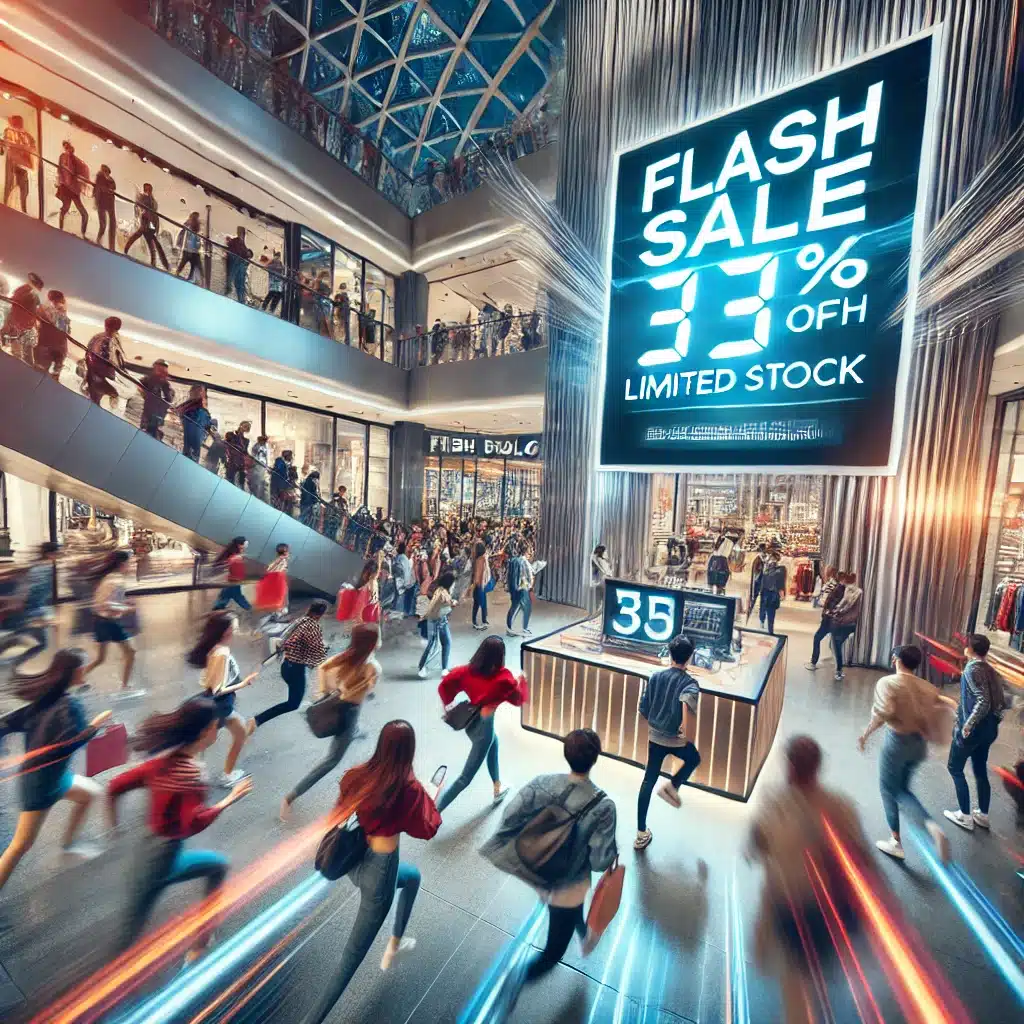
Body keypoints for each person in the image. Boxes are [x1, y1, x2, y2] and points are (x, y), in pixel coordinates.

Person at [298, 721, 441, 1023]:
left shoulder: (357, 775)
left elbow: (339, 812)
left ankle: (396, 941)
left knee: (413, 877)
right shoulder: (409, 789)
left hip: (353, 857)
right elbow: (427, 829)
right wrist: (431, 798)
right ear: (409, 751)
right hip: (381, 874)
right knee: (349, 961)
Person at [107, 697, 252, 955]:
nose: (218, 730)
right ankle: (199, 943)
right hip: (161, 860)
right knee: (127, 938)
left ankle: (202, 939)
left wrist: (114, 830)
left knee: (218, 867)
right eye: (215, 726)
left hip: (146, 849)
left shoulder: (160, 763)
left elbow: (115, 787)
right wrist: (229, 800)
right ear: (205, 732)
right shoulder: (190, 775)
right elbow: (193, 824)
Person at [747, 736, 870, 1024]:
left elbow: (757, 846)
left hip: (789, 908)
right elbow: (860, 857)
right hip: (828, 912)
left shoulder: (775, 804)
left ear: (789, 767)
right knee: (815, 982)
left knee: (795, 987)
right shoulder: (840, 806)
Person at [481, 728, 617, 980]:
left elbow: (511, 815)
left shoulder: (543, 782)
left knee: (571, 910)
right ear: (596, 758)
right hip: (567, 886)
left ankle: (585, 935)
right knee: (553, 954)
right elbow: (600, 862)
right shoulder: (604, 806)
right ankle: (511, 982)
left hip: (539, 873)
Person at [0, 650, 110, 892]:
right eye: (82, 666)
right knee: (19, 846)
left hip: (55, 778)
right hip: (40, 785)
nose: (85, 669)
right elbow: (67, 747)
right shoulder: (69, 706)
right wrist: (95, 726)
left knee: (90, 793)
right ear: (72, 672)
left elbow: (6, 724)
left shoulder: (45, 698)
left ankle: (68, 846)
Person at [858, 644, 951, 862]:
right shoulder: (929, 687)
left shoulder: (888, 683)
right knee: (903, 790)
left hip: (897, 743)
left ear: (896, 659)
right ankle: (931, 827)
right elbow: (941, 706)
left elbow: (883, 713)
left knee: (889, 790)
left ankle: (897, 841)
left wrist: (865, 734)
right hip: (919, 745)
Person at [281, 622, 381, 818]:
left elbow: (323, 668)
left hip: (345, 707)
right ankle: (290, 796)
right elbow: (368, 689)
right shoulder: (372, 666)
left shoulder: (345, 657)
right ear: (371, 643)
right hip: (348, 713)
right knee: (332, 760)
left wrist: (325, 691)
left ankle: (357, 733)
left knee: (359, 731)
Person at [436, 636, 527, 813]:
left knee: (495, 743)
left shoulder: (465, 671)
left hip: (471, 723)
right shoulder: (504, 679)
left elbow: (444, 686)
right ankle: (434, 813)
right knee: (465, 777)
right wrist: (522, 682)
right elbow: (518, 700)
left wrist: (449, 706)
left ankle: (497, 786)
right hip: (485, 729)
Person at [634, 634, 702, 850]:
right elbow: (687, 706)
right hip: (675, 740)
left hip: (655, 737)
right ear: (689, 657)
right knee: (694, 758)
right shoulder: (690, 684)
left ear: (670, 653)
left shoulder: (655, 677)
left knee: (648, 780)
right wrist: (686, 737)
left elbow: (643, 709)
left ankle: (640, 833)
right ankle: (672, 786)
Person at [944, 633, 1007, 831]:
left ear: (970, 649)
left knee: (955, 768)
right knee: (980, 769)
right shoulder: (992, 671)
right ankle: (983, 814)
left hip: (974, 730)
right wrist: (995, 721)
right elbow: (1001, 701)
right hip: (989, 730)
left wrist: (968, 725)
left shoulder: (971, 669)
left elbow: (983, 701)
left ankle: (964, 815)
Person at [189, 613, 258, 786]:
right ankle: (224, 775)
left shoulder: (214, 647)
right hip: (221, 703)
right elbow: (217, 689)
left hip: (214, 701)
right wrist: (243, 684)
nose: (236, 630)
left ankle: (198, 771)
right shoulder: (222, 652)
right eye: (234, 627)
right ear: (226, 631)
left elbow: (209, 681)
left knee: (214, 738)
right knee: (208, 740)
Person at [247, 599, 328, 734]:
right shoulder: (313, 627)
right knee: (293, 704)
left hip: (286, 666)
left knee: (298, 697)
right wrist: (323, 651)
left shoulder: (299, 621)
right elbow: (318, 653)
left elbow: (287, 640)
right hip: (296, 670)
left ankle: (310, 707)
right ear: (320, 614)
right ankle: (257, 720)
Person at [0, 541, 61, 664]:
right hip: (31, 611)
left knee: (17, 637)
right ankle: (15, 665)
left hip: (27, 610)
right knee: (41, 644)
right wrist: (43, 616)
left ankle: (13, 663)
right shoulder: (47, 570)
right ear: (50, 554)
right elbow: (33, 593)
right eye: (58, 553)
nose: (60, 556)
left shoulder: (37, 566)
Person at [806, 568, 845, 670]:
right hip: (833, 618)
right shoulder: (837, 586)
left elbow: (827, 601)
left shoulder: (833, 586)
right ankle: (839, 670)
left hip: (829, 618)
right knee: (835, 643)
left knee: (818, 638)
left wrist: (827, 611)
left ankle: (814, 662)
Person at [418, 571, 455, 679]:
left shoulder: (442, 591)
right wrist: (425, 617)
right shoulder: (441, 593)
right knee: (433, 645)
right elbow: (433, 606)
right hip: (435, 621)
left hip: (441, 621)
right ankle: (423, 667)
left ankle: (444, 668)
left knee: (446, 643)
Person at [2, 272, 44, 364]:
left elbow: (13, 305)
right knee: (21, 354)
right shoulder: (32, 294)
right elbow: (33, 312)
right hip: (21, 327)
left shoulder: (24, 291)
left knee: (19, 352)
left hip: (16, 325)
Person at [85, 315, 125, 409]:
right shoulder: (108, 340)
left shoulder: (98, 336)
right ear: (117, 328)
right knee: (111, 395)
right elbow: (109, 359)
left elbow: (87, 352)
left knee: (95, 399)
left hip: (95, 373)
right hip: (100, 375)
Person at [125, 184, 169, 269]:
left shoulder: (151, 200)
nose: (148, 191)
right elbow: (139, 206)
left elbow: (153, 211)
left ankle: (154, 262)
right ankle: (126, 250)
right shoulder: (144, 198)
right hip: (146, 222)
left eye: (149, 189)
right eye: (147, 189)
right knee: (145, 238)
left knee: (150, 240)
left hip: (150, 223)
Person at [828, 572, 862, 680]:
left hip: (841, 622)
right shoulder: (860, 591)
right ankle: (839, 670)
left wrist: (836, 611)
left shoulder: (849, 590)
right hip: (852, 623)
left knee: (836, 645)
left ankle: (838, 670)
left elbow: (846, 603)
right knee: (837, 644)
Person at [2, 114, 36, 213]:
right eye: (15, 122)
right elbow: (7, 143)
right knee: (9, 184)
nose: (17, 124)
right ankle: (5, 206)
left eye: (18, 122)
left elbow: (33, 147)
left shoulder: (27, 135)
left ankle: (24, 208)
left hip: (24, 164)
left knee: (24, 188)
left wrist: (26, 148)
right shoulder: (9, 131)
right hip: (13, 161)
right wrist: (23, 147)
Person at [34, 289, 70, 381]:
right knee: (54, 376)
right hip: (59, 347)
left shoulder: (42, 309)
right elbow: (64, 330)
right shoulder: (62, 311)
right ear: (61, 299)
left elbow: (35, 319)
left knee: (38, 375)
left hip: (45, 345)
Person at [56, 140, 89, 237]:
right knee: (64, 209)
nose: (68, 149)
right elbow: (60, 171)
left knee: (84, 214)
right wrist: (60, 184)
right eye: (66, 147)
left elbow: (83, 170)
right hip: (66, 188)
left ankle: (83, 234)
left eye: (68, 147)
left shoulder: (75, 160)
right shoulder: (63, 157)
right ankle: (60, 229)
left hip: (73, 190)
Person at [212, 537, 251, 613]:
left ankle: (217, 608)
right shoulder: (236, 557)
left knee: (226, 595)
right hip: (234, 580)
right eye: (244, 544)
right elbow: (236, 570)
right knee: (237, 596)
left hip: (232, 580)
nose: (245, 545)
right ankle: (250, 609)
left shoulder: (235, 555)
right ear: (239, 545)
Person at [139, 358, 173, 438]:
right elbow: (141, 389)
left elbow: (168, 401)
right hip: (149, 418)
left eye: (164, 372)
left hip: (157, 418)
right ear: (154, 369)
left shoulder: (166, 386)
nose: (162, 374)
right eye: (160, 371)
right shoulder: (147, 381)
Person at [177, 384, 212, 461]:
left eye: (203, 392)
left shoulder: (192, 407)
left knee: (192, 452)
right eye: (201, 392)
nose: (202, 394)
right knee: (191, 453)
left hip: (195, 434)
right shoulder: (192, 407)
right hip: (193, 434)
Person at [506, 543, 534, 637]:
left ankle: (511, 628)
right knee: (525, 608)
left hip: (514, 587)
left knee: (514, 607)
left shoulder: (513, 560)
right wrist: (530, 586)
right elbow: (530, 575)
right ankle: (522, 629)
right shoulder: (524, 561)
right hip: (523, 587)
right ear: (526, 551)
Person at [225, 226, 253, 303]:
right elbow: (230, 250)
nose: (242, 235)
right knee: (236, 281)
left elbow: (246, 255)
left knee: (239, 284)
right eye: (241, 233)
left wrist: (248, 254)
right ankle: (236, 296)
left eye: (242, 233)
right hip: (236, 264)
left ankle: (241, 300)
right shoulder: (236, 241)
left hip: (240, 267)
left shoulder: (243, 244)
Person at [93, 164, 117, 250]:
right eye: (104, 170)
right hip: (102, 203)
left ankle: (110, 245)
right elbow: (99, 189)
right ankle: (99, 241)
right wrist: (96, 201)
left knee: (110, 224)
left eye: (106, 171)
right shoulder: (100, 177)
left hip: (109, 203)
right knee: (103, 224)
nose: (105, 172)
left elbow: (113, 188)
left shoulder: (110, 180)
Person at [176, 212, 203, 282]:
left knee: (188, 264)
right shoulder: (192, 224)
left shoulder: (193, 224)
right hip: (191, 250)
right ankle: (191, 278)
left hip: (191, 250)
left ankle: (182, 274)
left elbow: (198, 237)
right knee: (190, 264)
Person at [224, 420, 251, 489]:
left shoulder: (246, 440)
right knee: (230, 480)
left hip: (240, 463)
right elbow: (226, 444)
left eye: (247, 428)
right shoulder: (231, 435)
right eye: (244, 426)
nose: (244, 429)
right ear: (240, 426)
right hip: (232, 461)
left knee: (241, 481)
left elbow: (244, 451)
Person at [471, 541, 492, 630]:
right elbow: (479, 574)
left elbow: (477, 574)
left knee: (477, 604)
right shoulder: (483, 558)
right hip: (480, 585)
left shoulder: (479, 559)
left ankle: (477, 621)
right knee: (482, 604)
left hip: (479, 585)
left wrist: (473, 585)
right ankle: (482, 621)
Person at [392, 541, 417, 617]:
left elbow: (404, 570)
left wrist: (405, 582)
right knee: (398, 598)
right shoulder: (401, 557)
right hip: (400, 581)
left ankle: (398, 613)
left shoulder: (401, 557)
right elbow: (404, 571)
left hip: (399, 581)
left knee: (398, 598)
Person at [249, 434, 270, 501]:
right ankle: (257, 497)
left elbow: (264, 457)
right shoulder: (257, 447)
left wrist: (266, 465)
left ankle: (260, 496)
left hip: (261, 466)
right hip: (258, 466)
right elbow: (256, 456)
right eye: (264, 441)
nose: (264, 442)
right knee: (258, 482)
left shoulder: (263, 447)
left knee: (261, 482)